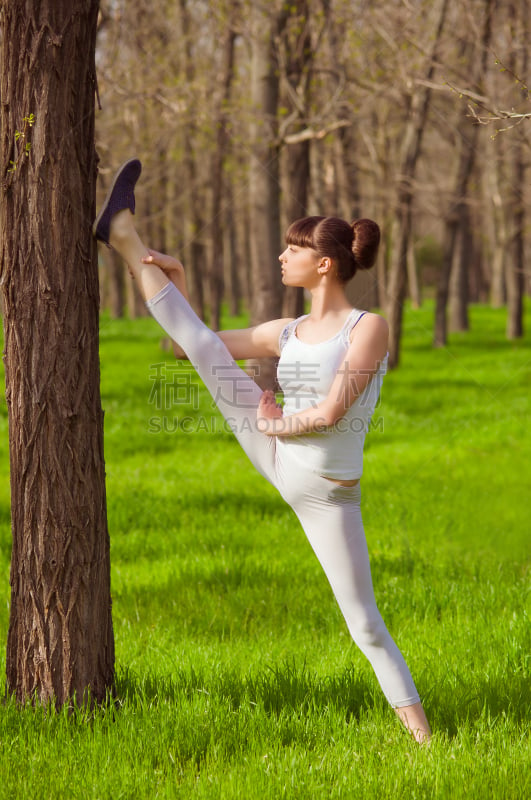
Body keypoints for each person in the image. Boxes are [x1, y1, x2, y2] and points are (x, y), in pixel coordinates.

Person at [94, 159, 432, 744]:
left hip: (326, 493)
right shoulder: (286, 330)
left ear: (323, 264)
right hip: (278, 447)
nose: (282, 257)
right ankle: (125, 237)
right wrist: (177, 285)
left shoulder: (367, 328)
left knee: (365, 625)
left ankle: (425, 741)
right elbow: (187, 350)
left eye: (292, 250)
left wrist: (276, 425)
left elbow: (331, 412)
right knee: (199, 345)